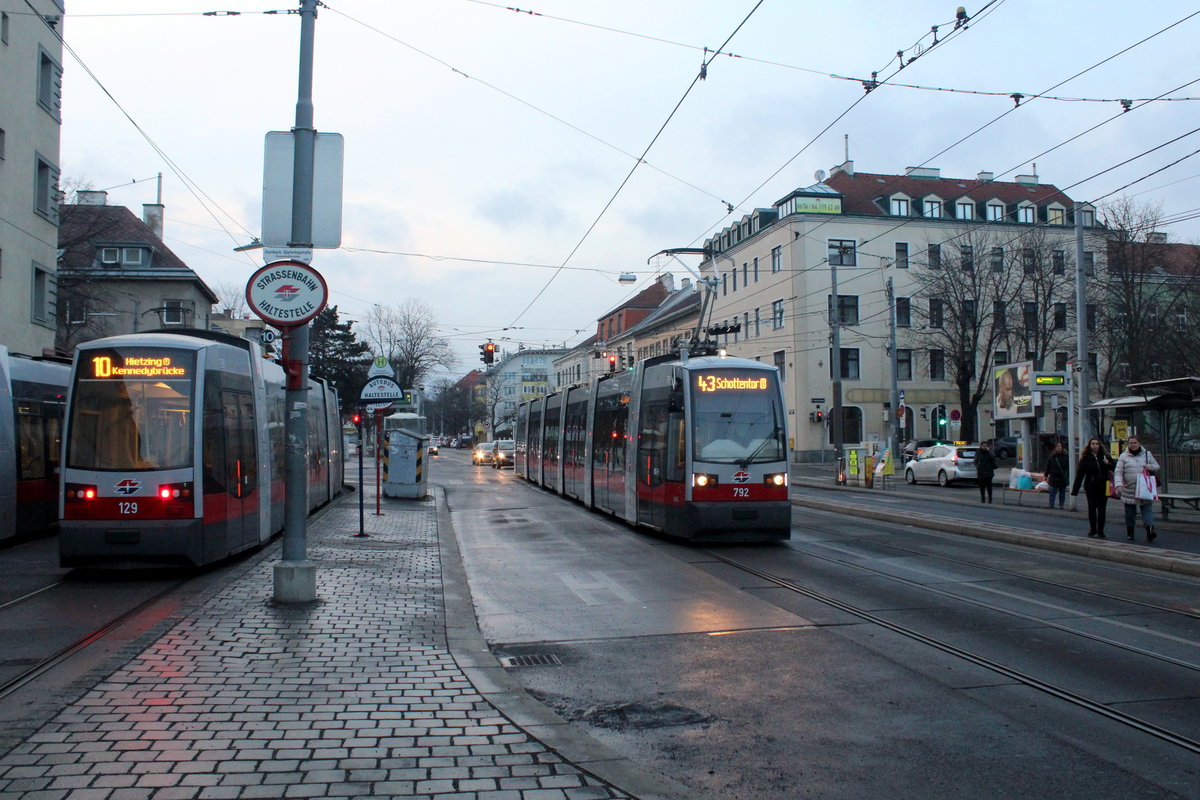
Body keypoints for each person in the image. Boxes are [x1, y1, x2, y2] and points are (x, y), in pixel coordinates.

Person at [1114, 435, 1160, 542]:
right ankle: (1130, 533)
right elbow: (1118, 472)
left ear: (1139, 443)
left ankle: (1150, 531)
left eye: (1135, 442)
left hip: (1145, 487)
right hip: (1129, 489)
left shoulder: (1147, 454)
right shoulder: (1123, 456)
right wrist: (1118, 484)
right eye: (1131, 443)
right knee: (1130, 512)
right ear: (1128, 444)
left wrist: (1149, 466)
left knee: (1147, 510)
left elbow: (1157, 466)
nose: (1133, 445)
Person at [1071, 437, 1116, 538]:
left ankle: (1101, 531)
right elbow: (1080, 475)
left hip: (1104, 486)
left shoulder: (1105, 456)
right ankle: (1093, 530)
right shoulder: (1085, 459)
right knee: (1092, 508)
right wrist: (1075, 490)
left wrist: (1108, 464)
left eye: (1097, 444)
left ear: (1099, 445)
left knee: (1102, 509)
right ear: (1089, 446)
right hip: (1091, 487)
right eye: (1093, 444)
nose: (1095, 446)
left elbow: (1114, 467)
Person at [1043, 441, 1070, 509]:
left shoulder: (1066, 456)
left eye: (1060, 446)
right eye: (1057, 446)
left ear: (1062, 447)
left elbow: (1068, 467)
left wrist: (1067, 475)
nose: (1058, 448)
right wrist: (1045, 475)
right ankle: (1051, 505)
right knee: (1052, 492)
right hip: (1053, 477)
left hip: (1062, 477)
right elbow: (1048, 466)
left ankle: (1061, 505)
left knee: (1062, 492)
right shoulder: (1052, 456)